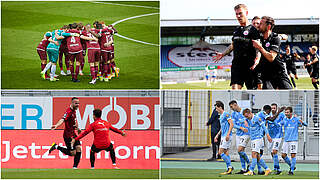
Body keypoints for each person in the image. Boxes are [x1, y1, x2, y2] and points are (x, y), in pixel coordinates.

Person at [214, 4, 261, 90]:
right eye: (236, 14)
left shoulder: (253, 30)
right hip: (237, 65)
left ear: (246, 13)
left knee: (253, 92)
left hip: (249, 65)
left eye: (240, 13)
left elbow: (258, 47)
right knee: (235, 90)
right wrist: (223, 54)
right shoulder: (236, 30)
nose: (238, 16)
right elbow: (232, 45)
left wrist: (257, 60)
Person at [252, 16, 292, 89]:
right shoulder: (258, 37)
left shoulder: (275, 38)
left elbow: (271, 58)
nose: (258, 25)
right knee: (268, 98)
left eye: (261, 23)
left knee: (289, 96)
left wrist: (260, 47)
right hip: (266, 75)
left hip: (279, 73)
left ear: (268, 26)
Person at [49, 97, 82, 169]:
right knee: (73, 153)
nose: (78, 105)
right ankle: (56, 146)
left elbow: (73, 122)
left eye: (78, 103)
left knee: (79, 148)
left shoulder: (74, 111)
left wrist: (78, 128)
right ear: (72, 103)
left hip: (73, 133)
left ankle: (75, 167)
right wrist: (57, 125)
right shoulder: (69, 111)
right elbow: (62, 119)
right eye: (76, 103)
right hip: (68, 135)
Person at [242, 108, 272, 176]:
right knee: (257, 156)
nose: (246, 118)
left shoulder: (257, 118)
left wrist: (268, 135)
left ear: (250, 113)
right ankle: (267, 169)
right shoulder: (248, 119)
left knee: (254, 154)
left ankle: (251, 170)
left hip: (258, 139)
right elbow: (241, 120)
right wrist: (244, 120)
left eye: (247, 116)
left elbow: (264, 127)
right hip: (253, 139)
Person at [280, 107, 308, 175]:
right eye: (285, 112)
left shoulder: (296, 119)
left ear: (291, 113)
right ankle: (292, 166)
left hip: (293, 140)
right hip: (286, 140)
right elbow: (279, 124)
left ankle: (291, 171)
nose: (286, 113)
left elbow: (306, 124)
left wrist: (300, 120)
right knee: (283, 155)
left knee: (293, 155)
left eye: (287, 112)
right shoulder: (284, 119)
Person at [229, 100, 250, 174]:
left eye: (232, 107)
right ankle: (243, 168)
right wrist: (241, 128)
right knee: (240, 152)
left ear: (235, 105)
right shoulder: (233, 114)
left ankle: (249, 163)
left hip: (246, 134)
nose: (231, 108)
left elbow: (250, 120)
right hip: (238, 134)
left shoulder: (244, 111)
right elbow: (233, 124)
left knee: (240, 150)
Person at [214, 101, 234, 175]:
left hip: (226, 136)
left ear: (220, 107)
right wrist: (217, 135)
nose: (216, 110)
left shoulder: (226, 114)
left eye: (216, 108)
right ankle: (229, 168)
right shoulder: (221, 116)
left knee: (220, 152)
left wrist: (228, 134)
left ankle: (230, 167)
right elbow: (222, 127)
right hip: (223, 136)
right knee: (226, 152)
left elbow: (231, 124)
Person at [266, 103, 286, 175]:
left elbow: (285, 120)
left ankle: (276, 167)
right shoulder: (268, 115)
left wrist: (280, 124)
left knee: (274, 151)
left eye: (274, 108)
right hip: (271, 136)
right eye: (272, 108)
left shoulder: (281, 115)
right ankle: (278, 169)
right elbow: (267, 123)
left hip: (278, 136)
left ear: (276, 108)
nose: (273, 109)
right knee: (272, 153)